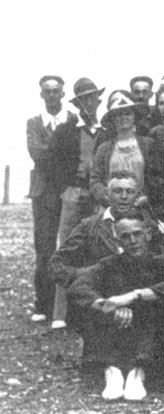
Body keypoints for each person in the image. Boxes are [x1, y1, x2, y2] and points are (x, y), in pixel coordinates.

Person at [67, 208, 164, 401]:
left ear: (147, 234)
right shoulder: (109, 264)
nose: (133, 241)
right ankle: (112, 371)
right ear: (118, 241)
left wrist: (134, 296)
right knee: (89, 305)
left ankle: (138, 372)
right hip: (116, 329)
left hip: (151, 331)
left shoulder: (163, 262)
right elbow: (78, 287)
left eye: (137, 234)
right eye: (125, 236)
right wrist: (108, 306)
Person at [50, 171, 164, 339]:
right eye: (117, 191)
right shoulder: (90, 226)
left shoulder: (149, 226)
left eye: (130, 192)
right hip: (104, 308)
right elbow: (56, 264)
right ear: (107, 194)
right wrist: (85, 275)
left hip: (144, 307)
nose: (124, 197)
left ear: (138, 195)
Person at [27, 75, 75, 325]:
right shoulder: (34, 123)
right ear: (41, 95)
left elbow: (75, 153)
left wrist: (56, 155)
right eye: (48, 91)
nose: (52, 95)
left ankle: (68, 306)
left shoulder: (73, 120)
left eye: (56, 91)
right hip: (44, 191)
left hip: (68, 189)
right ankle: (44, 304)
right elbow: (37, 153)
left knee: (70, 245)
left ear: (63, 94)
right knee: (45, 248)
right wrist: (61, 154)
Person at [48, 77, 107, 268]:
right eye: (83, 99)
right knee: (68, 244)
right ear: (77, 104)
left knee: (98, 242)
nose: (88, 103)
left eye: (92, 98)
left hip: (99, 195)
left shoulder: (106, 131)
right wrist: (65, 189)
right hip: (74, 194)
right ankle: (65, 287)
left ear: (98, 100)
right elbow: (53, 164)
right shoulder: (65, 131)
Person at [90, 91, 161, 208]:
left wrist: (147, 197)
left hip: (141, 204)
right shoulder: (104, 148)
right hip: (111, 205)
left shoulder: (148, 144)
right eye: (118, 115)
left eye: (128, 114)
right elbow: (95, 180)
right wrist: (107, 196)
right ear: (113, 119)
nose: (123, 118)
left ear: (134, 117)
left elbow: (158, 176)